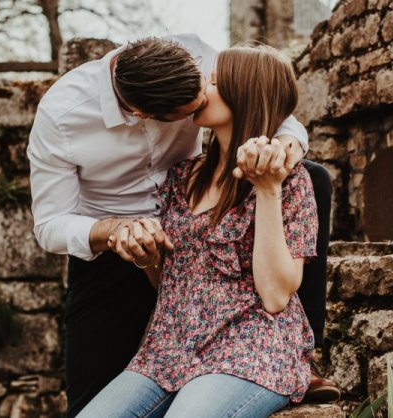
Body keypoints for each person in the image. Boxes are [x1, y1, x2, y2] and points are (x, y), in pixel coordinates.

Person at [26, 34, 311, 417]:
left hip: (247, 343)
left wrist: (275, 172)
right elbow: (51, 224)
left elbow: (271, 95)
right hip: (166, 339)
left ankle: (296, 365)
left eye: (211, 82)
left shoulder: (197, 58)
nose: (205, 90)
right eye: (204, 86)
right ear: (142, 113)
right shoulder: (68, 117)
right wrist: (136, 248)